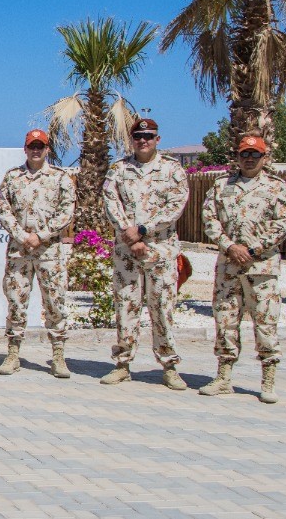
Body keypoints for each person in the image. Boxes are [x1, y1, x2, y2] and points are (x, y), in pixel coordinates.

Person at [199, 134, 286, 404]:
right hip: (228, 267)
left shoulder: (277, 188)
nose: (249, 159)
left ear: (265, 158)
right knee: (225, 322)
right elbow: (210, 219)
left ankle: (268, 379)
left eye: (255, 155)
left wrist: (252, 250)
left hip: (261, 268)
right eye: (245, 154)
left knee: (265, 324)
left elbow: (282, 225)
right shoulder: (221, 185)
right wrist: (230, 246)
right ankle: (224, 377)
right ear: (238, 157)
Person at [100, 117, 191, 390]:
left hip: (160, 250)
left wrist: (143, 230)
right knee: (126, 307)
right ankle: (123, 364)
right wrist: (130, 235)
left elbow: (176, 206)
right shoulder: (119, 169)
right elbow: (110, 202)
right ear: (132, 139)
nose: (143, 141)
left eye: (149, 136)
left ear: (157, 139)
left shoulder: (173, 170)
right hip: (127, 251)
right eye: (139, 137)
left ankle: (169, 366)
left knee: (162, 309)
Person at [0, 129, 75, 377]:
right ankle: (13, 354)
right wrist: (22, 236)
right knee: (16, 302)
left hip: (49, 251)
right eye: (32, 146)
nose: (36, 150)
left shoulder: (60, 178)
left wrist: (40, 236)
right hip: (19, 253)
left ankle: (58, 356)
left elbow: (67, 211)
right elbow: (3, 208)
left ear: (47, 149)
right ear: (25, 148)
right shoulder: (12, 177)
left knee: (55, 303)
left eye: (40, 146)